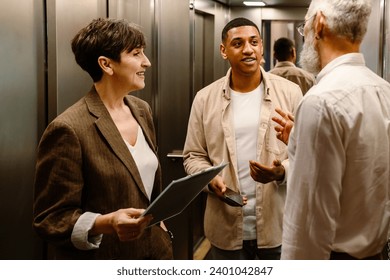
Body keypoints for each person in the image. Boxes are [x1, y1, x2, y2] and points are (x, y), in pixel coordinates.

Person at [33, 18, 173, 259]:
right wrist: (105, 222)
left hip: (155, 252)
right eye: (136, 53)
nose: (146, 62)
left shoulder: (142, 110)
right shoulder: (69, 129)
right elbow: (50, 218)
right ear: (106, 64)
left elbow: (146, 187)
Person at [183, 17, 302, 260]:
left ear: (261, 47)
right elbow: (193, 155)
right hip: (225, 229)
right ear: (223, 50)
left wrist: (282, 172)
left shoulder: (290, 92)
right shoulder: (205, 99)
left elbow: (307, 155)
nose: (248, 49)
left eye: (254, 42)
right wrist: (210, 179)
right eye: (237, 43)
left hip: (277, 226)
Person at [279, 0, 390, 260]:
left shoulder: (320, 102)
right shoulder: (384, 90)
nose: (305, 37)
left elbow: (306, 232)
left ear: (319, 24)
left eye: (303, 28)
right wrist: (299, 140)